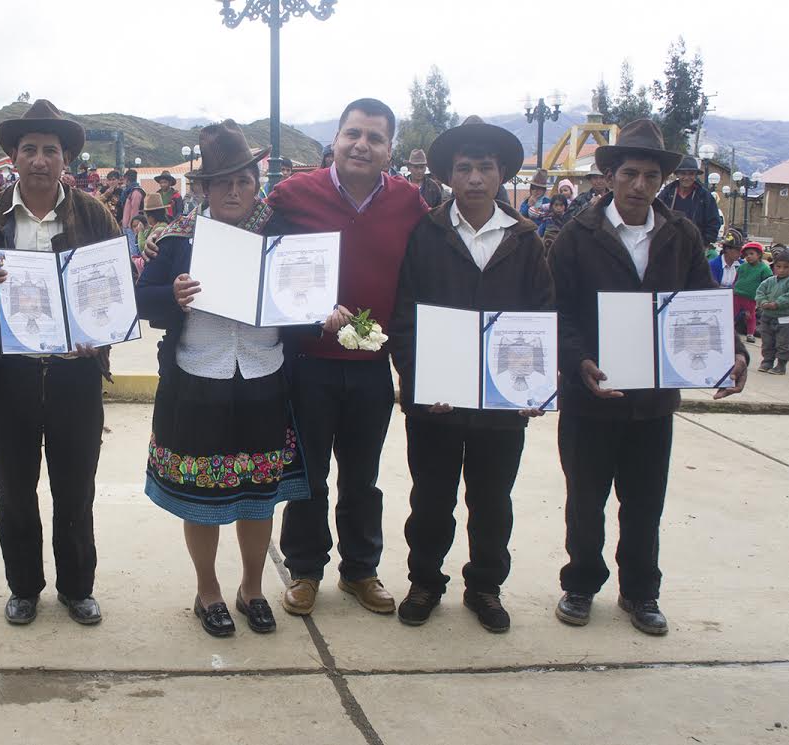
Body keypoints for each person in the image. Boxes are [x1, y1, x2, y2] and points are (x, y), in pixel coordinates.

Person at [551, 119, 748, 636]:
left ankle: (640, 593)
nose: (640, 185)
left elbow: (704, 307)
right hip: (591, 397)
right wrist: (578, 362)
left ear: (664, 180)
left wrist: (734, 352)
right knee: (586, 500)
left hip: (653, 401)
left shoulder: (681, 235)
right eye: (630, 173)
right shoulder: (577, 235)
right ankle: (581, 584)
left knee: (644, 503)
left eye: (651, 176)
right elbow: (559, 312)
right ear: (610, 174)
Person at [0, 99, 119, 626]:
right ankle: (23, 588)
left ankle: (77, 588)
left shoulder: (93, 214)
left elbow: (114, 288)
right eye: (29, 150)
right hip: (9, 375)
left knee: (75, 490)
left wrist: (100, 335)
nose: (39, 160)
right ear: (13, 157)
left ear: (66, 160)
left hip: (74, 375)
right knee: (14, 491)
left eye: (50, 151)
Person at [136, 120, 311, 636]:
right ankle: (207, 590)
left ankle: (252, 587)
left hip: (264, 375)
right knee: (202, 495)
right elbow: (142, 300)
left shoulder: (282, 237)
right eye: (223, 183)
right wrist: (174, 295)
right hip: (198, 376)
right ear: (205, 189)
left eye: (244, 181)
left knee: (259, 490)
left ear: (257, 184)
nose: (234, 192)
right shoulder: (176, 242)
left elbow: (307, 293)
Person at [388, 116, 553, 634]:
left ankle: (485, 585)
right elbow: (405, 317)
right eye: (465, 168)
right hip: (436, 402)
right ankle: (424, 581)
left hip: (502, 403)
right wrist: (420, 381)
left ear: (502, 173)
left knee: (491, 501)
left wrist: (536, 386)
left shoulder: (525, 239)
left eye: (486, 167)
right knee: (431, 498)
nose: (476, 178)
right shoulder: (427, 234)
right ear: (450, 176)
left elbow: (542, 314)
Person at [269, 98, 429, 618]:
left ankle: (361, 569)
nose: (362, 145)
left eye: (375, 138)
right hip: (308, 363)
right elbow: (245, 235)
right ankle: (305, 571)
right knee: (307, 475)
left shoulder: (410, 203)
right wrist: (167, 245)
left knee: (362, 475)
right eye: (353, 134)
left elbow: (441, 253)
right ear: (335, 140)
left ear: (390, 150)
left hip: (371, 368)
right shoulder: (294, 194)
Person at [658, 155, 721, 245]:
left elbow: (714, 223)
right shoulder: (666, 194)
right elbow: (656, 216)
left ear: (696, 175)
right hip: (668, 244)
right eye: (683, 173)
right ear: (677, 174)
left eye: (691, 174)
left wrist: (703, 244)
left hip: (694, 247)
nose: (687, 178)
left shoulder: (705, 197)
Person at [755, 251, 789, 374]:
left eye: (786, 267)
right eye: (778, 267)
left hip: (784, 318)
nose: (781, 270)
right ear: (774, 267)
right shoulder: (769, 281)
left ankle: (781, 365)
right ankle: (767, 362)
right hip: (767, 317)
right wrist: (763, 302)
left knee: (783, 342)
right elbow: (760, 292)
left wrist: (777, 303)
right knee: (767, 341)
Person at [734, 243, 770, 342]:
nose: (748, 256)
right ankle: (730, 329)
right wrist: (733, 289)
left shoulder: (764, 269)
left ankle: (750, 334)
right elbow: (736, 279)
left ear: (759, 255)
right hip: (737, 295)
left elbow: (768, 283)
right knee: (733, 313)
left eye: (751, 253)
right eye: (746, 255)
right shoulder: (742, 267)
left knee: (750, 316)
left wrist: (763, 298)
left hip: (750, 298)